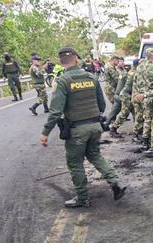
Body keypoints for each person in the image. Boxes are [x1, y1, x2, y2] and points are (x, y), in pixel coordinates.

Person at [40, 47, 126, 208]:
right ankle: (116, 183)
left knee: (75, 163)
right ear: (76, 60)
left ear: (60, 62)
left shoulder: (62, 81)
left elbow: (55, 112)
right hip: (95, 126)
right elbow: (101, 105)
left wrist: (45, 132)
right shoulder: (91, 78)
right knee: (95, 156)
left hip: (77, 130)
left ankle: (82, 198)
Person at [136, 48, 153, 150]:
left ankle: (145, 140)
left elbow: (137, 81)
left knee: (147, 118)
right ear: (152, 55)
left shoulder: (140, 66)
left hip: (142, 95)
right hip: (152, 95)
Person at [110, 58, 140, 136]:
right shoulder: (134, 73)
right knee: (124, 113)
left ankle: (138, 130)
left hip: (128, 94)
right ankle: (113, 128)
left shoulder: (131, 72)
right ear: (137, 65)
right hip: (127, 95)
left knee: (136, 113)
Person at [103, 58, 128, 134]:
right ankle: (111, 124)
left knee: (115, 108)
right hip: (112, 89)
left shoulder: (120, 69)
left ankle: (108, 123)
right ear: (114, 60)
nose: (122, 63)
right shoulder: (111, 68)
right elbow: (116, 78)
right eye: (119, 61)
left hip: (116, 90)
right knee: (118, 108)